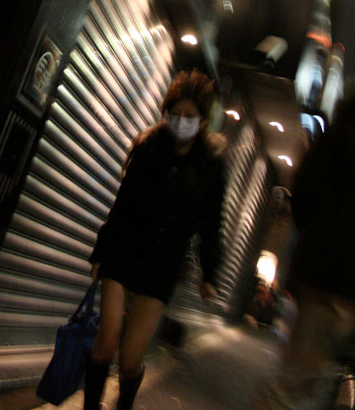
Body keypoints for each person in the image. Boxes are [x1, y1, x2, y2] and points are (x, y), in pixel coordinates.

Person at [83, 69, 226, 410]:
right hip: (124, 251)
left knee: (130, 360)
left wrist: (210, 274)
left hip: (162, 264)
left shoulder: (211, 166)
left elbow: (211, 224)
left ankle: (124, 403)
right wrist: (100, 253)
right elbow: (122, 205)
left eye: (189, 116)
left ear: (203, 120)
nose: (180, 121)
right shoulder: (149, 147)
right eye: (174, 114)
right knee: (106, 342)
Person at [250, 87, 355, 409]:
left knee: (294, 381)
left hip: (325, 279)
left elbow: (304, 200)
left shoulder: (331, 142)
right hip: (336, 280)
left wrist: (321, 239)